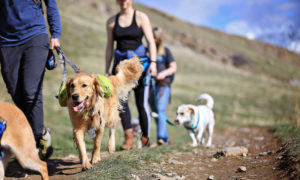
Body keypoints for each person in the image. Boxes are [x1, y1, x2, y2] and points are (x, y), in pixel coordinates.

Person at [0, 0, 61, 160]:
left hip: (34, 36)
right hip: (6, 41)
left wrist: (55, 33)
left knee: (30, 91)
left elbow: (51, 3)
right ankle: (41, 132)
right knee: (15, 91)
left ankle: (32, 142)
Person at [105, 0, 157, 150]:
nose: (123, 1)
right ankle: (129, 139)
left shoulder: (141, 17)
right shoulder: (111, 22)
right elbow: (109, 47)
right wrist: (107, 70)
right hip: (120, 68)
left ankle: (145, 139)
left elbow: (151, 42)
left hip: (139, 67)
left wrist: (153, 63)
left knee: (141, 104)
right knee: (121, 103)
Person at [149, 27, 177, 145]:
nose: (153, 39)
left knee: (161, 110)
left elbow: (173, 67)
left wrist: (163, 74)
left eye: (155, 37)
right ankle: (166, 138)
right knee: (155, 112)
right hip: (150, 86)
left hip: (163, 85)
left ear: (160, 39)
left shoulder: (165, 51)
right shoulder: (147, 51)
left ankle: (160, 138)